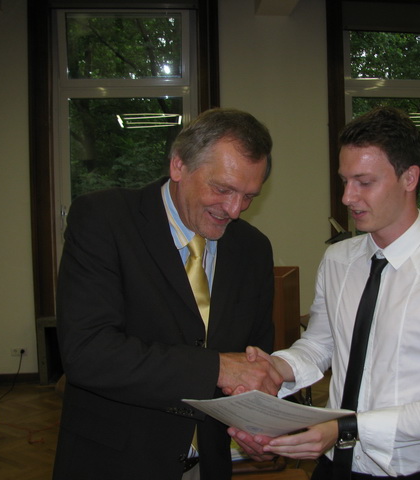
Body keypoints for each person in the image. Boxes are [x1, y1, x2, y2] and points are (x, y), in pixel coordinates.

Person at [228, 106, 420, 479]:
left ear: (409, 178)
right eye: (344, 181)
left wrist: (347, 428)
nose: (347, 197)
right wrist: (275, 367)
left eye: (364, 182)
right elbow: (321, 345)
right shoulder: (339, 260)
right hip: (333, 467)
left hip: (413, 473)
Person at [53, 108, 283, 480]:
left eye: (248, 197)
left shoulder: (253, 248)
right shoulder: (103, 219)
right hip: (117, 463)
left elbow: (253, 358)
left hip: (209, 463)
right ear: (179, 165)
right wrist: (218, 367)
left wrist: (258, 426)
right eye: (223, 189)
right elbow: (88, 352)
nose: (235, 210)